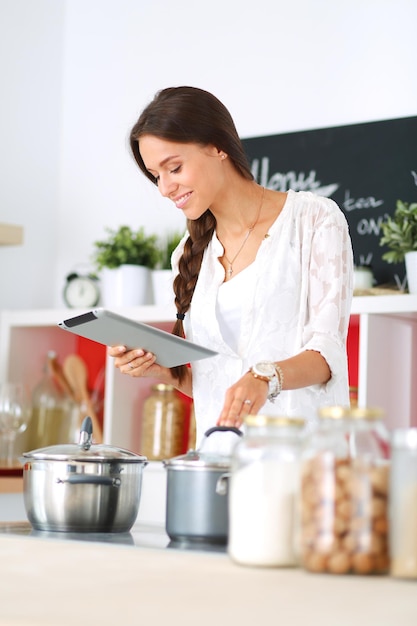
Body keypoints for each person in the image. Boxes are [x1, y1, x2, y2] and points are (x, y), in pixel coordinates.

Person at [108, 86, 354, 447]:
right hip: (220, 465)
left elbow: (327, 354)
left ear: (217, 146)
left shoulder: (314, 220)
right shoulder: (189, 254)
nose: (164, 188)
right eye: (156, 175)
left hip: (305, 464)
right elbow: (223, 389)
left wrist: (265, 376)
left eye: (174, 167)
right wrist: (171, 374)